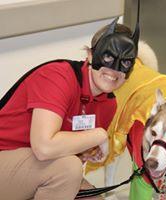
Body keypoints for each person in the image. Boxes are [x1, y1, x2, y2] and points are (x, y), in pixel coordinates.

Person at [0, 16, 140, 200]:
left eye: (125, 62)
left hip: (34, 171)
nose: (114, 70)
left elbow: (68, 157)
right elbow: (44, 147)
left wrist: (85, 151)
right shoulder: (58, 76)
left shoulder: (108, 105)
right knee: (68, 169)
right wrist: (98, 135)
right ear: (90, 55)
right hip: (6, 157)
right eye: (107, 57)